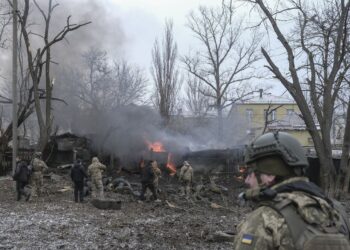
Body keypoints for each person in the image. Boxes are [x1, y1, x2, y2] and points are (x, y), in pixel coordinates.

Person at [233, 131, 350, 250]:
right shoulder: (336, 212)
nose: (247, 180)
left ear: (269, 175)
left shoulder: (264, 218)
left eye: (250, 172)